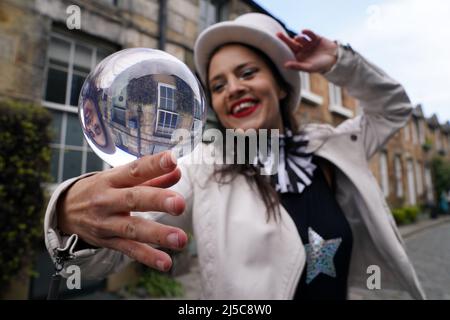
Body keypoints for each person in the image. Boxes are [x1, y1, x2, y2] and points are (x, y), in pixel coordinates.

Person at [44, 13, 425, 299]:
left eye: (247, 73)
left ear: (280, 84)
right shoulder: (202, 167)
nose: (234, 89)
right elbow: (107, 252)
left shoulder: (330, 146)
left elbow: (393, 109)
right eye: (219, 85)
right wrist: (73, 218)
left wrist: (342, 62)